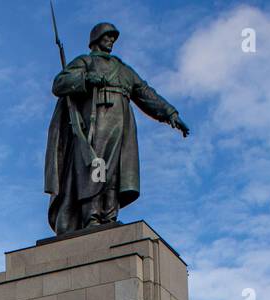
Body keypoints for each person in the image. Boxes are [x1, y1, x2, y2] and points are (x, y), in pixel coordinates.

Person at [44, 22, 190, 235]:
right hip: (96, 121)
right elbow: (59, 83)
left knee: (114, 173)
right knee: (96, 167)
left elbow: (145, 93)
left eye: (113, 37)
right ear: (96, 39)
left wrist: (170, 113)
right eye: (107, 37)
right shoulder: (85, 61)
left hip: (121, 124)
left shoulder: (123, 70)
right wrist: (85, 78)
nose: (111, 41)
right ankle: (92, 217)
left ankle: (109, 216)